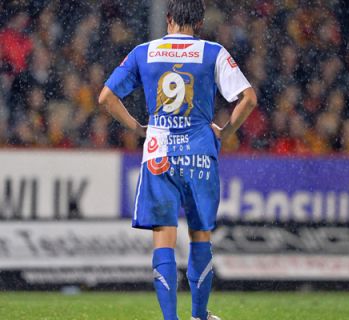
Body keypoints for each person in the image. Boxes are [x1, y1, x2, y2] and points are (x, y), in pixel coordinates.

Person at [98, 1, 257, 319]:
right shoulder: (212, 52)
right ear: (199, 22)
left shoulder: (145, 51)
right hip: (199, 154)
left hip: (159, 154)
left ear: (168, 18)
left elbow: (106, 98)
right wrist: (224, 132)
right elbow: (248, 99)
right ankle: (199, 316)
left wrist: (139, 128)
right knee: (200, 235)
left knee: (164, 240)